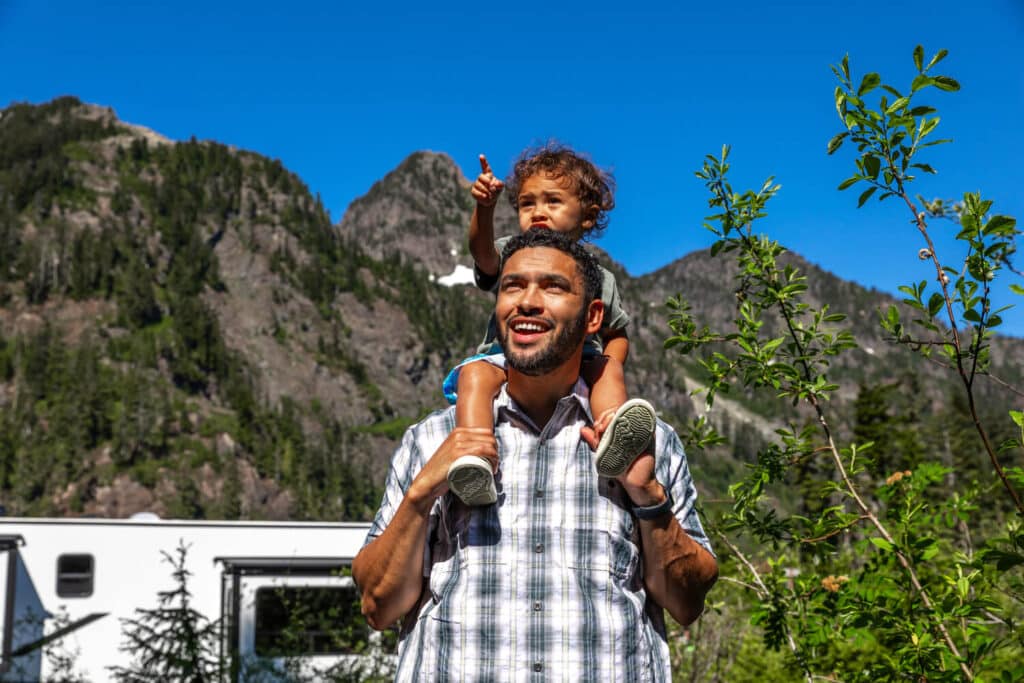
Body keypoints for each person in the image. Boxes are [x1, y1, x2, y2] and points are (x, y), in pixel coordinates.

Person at [353, 229, 718, 681]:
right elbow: (377, 606)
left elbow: (687, 603)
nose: (527, 301)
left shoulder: (645, 439)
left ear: (593, 317)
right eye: (512, 286)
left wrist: (648, 497)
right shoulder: (433, 439)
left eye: (553, 287)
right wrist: (421, 494)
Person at [444, 144, 657, 506]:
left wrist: (608, 370)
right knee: (474, 376)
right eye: (527, 204)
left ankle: (612, 435)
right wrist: (485, 207)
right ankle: (475, 457)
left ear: (587, 217)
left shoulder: (600, 278)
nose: (538, 212)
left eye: (552, 202)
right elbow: (482, 255)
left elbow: (616, 334)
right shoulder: (512, 252)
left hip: (580, 357)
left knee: (608, 369)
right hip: (505, 357)